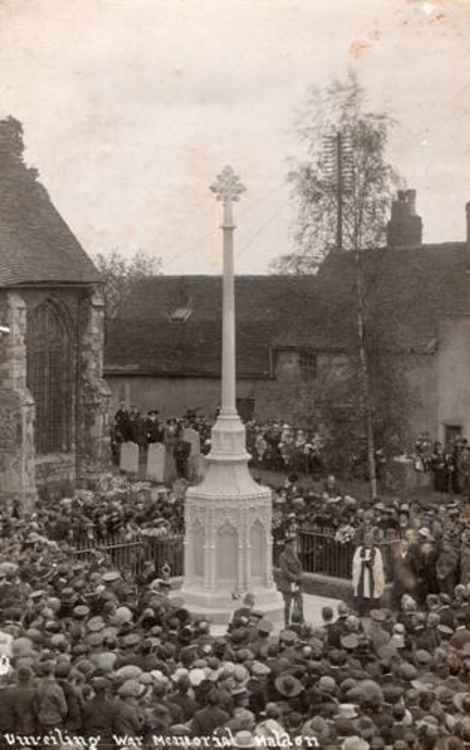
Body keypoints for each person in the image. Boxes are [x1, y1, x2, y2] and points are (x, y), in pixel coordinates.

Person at [352, 529, 385, 617]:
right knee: (362, 591)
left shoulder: (376, 551)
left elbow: (379, 564)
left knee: (372, 592)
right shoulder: (359, 549)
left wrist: (371, 565)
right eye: (366, 538)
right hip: (361, 575)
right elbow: (355, 562)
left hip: (372, 576)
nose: (368, 540)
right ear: (364, 539)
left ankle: (371, 611)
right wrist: (362, 563)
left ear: (372, 540)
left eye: (370, 538)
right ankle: (361, 610)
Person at [277, 534, 304, 628]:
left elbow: (299, 566)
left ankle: (301, 621)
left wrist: (300, 576)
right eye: (291, 545)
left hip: (297, 584)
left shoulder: (294, 554)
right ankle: (287, 623)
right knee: (287, 605)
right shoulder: (282, 556)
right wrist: (296, 578)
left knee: (300, 604)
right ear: (287, 545)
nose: (293, 547)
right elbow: (285, 572)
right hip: (287, 584)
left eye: (294, 545)